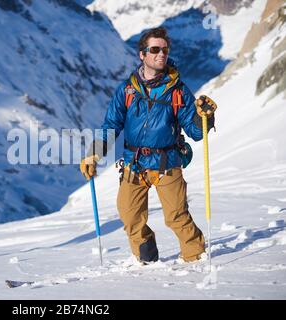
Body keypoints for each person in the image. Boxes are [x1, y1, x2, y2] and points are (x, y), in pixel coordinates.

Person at [80, 27, 217, 264]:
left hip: (168, 162)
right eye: (155, 49)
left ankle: (196, 256)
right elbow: (111, 124)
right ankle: (146, 256)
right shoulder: (127, 89)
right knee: (129, 214)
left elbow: (196, 132)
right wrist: (94, 154)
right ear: (142, 55)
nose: (161, 54)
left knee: (176, 216)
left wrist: (204, 116)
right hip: (134, 163)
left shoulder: (179, 91)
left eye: (164, 50)